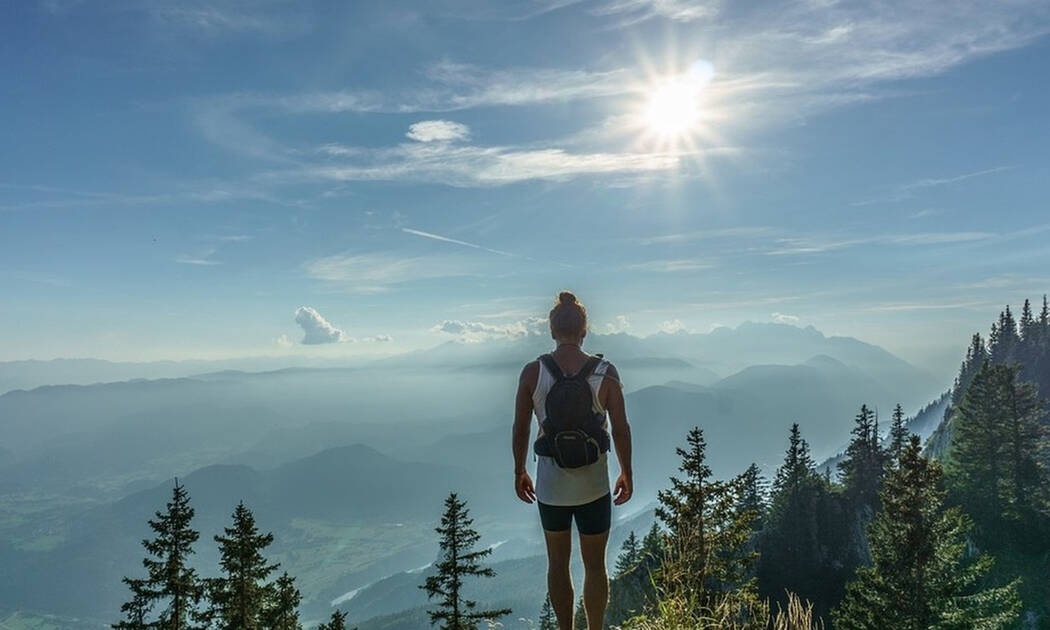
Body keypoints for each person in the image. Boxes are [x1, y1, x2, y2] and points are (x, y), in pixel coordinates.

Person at [513, 291, 633, 630]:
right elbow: (621, 430)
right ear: (584, 331)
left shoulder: (533, 373)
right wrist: (626, 472)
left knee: (557, 564)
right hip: (594, 484)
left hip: (551, 486)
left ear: (552, 331)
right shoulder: (606, 373)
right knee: (595, 566)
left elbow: (521, 428)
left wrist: (519, 469)